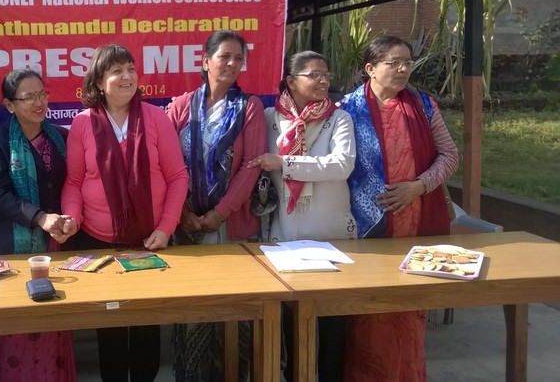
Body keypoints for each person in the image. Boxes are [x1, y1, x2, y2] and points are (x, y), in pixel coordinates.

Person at [60, 43, 189, 382]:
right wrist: (72, 218)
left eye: (131, 68)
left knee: (146, 326)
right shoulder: (82, 124)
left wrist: (165, 228)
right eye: (117, 70)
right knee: (110, 329)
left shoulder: (156, 118)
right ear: (98, 82)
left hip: (149, 242)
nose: (127, 76)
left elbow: (178, 177)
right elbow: (74, 181)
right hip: (98, 244)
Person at [340, 35, 459, 382]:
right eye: (394, 62)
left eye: (408, 62)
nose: (404, 69)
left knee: (408, 311)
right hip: (363, 228)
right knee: (366, 312)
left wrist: (418, 187)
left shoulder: (423, 105)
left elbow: (450, 156)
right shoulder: (345, 109)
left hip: (415, 224)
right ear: (371, 68)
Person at [248, 51, 356, 382]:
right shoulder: (269, 118)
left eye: (326, 74)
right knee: (293, 325)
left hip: (331, 234)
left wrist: (286, 163)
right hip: (286, 237)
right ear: (291, 81)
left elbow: (342, 165)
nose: (323, 81)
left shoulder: (339, 118)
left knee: (333, 325)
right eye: (314, 75)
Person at [166, 30, 266, 382]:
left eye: (238, 58)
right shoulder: (181, 106)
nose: (232, 63)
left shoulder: (250, 107)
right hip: (187, 226)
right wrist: (181, 213)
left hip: (230, 227)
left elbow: (251, 165)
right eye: (225, 56)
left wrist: (220, 213)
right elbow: (166, 164)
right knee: (193, 310)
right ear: (206, 61)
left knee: (232, 312)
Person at [0, 69, 76, 382]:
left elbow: (74, 184)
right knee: (20, 326)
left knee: (55, 320)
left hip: (56, 244)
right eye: (28, 97)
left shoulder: (61, 137)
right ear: (9, 105)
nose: (38, 102)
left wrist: (69, 218)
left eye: (42, 94)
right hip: (15, 249)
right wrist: (39, 217)